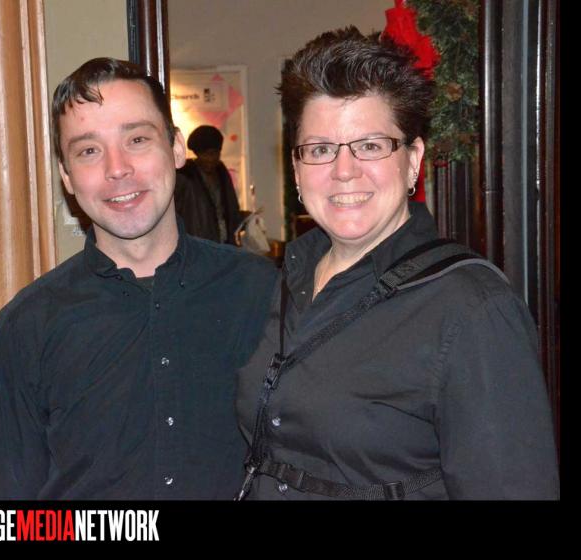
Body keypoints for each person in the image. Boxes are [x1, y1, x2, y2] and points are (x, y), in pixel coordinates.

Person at [235, 27, 559, 500]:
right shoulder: (285, 281)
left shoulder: (471, 309)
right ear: (297, 169)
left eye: (371, 145)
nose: (343, 171)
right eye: (321, 149)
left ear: (413, 161)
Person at [0, 58, 277, 500]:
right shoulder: (27, 324)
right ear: (66, 176)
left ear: (176, 148)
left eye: (137, 139)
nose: (117, 168)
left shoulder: (260, 291)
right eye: (89, 151)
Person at [174, 125, 242, 244]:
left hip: (224, 243)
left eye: (216, 153)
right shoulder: (186, 176)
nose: (212, 159)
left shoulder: (221, 172)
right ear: (197, 154)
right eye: (207, 154)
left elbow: (231, 207)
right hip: (196, 245)